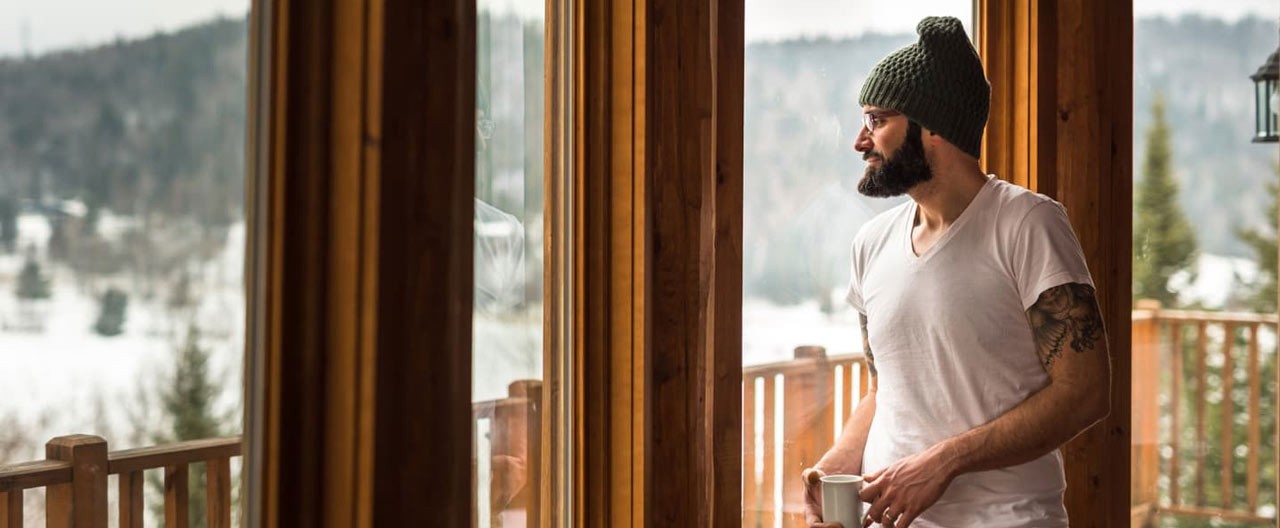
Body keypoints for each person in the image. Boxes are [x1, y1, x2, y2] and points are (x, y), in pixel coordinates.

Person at [801, 16, 1111, 528]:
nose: (861, 140)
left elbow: (1085, 391)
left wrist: (943, 462)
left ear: (933, 126)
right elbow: (884, 389)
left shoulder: (1028, 224)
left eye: (877, 120)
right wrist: (838, 464)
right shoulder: (871, 245)